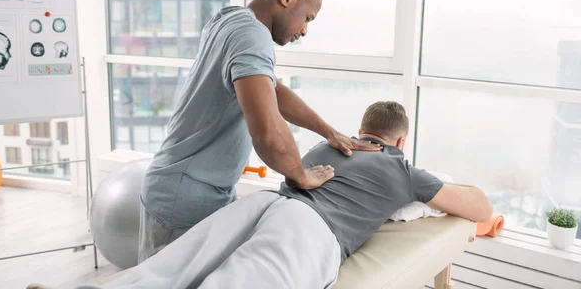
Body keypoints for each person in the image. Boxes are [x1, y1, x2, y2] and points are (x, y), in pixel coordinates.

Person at [54, 101, 491, 289]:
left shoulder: (328, 145)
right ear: (400, 141)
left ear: (362, 130)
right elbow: (478, 207)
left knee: (175, 265)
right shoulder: (400, 167)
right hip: (309, 228)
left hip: (266, 203)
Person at [138, 0, 380, 262]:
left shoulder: (229, 18)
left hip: (192, 187)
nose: (304, 30)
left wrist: (328, 132)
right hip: (184, 195)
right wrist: (301, 176)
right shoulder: (253, 36)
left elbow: (273, 91)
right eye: (307, 18)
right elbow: (268, 135)